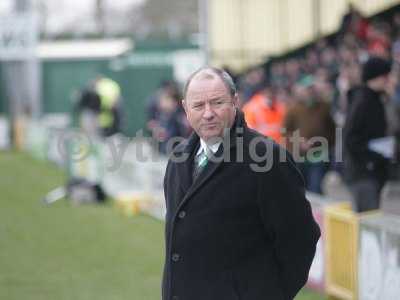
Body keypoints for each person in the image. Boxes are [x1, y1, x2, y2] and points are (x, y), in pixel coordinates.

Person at [162, 67, 320, 300]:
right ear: (185, 109)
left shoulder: (267, 158)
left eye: (216, 103)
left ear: (235, 101)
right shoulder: (178, 158)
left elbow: (301, 239)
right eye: (198, 105)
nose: (208, 113)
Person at [344, 56, 392, 212]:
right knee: (368, 222)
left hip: (370, 171)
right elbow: (350, 138)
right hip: (363, 174)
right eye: (385, 76)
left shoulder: (374, 98)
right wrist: (372, 159)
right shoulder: (363, 101)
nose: (388, 80)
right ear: (375, 77)